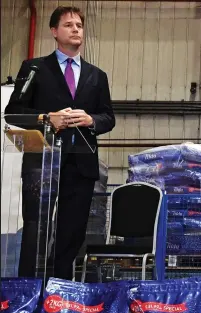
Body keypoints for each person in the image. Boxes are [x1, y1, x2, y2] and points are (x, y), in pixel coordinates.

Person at [5, 6, 115, 280]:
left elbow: (108, 118)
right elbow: (12, 113)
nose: (76, 29)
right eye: (69, 25)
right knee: (36, 228)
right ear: (54, 32)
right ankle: (27, 288)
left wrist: (91, 120)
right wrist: (46, 118)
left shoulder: (96, 75)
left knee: (71, 230)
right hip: (42, 162)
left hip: (81, 164)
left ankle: (61, 288)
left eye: (79, 25)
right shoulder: (34, 68)